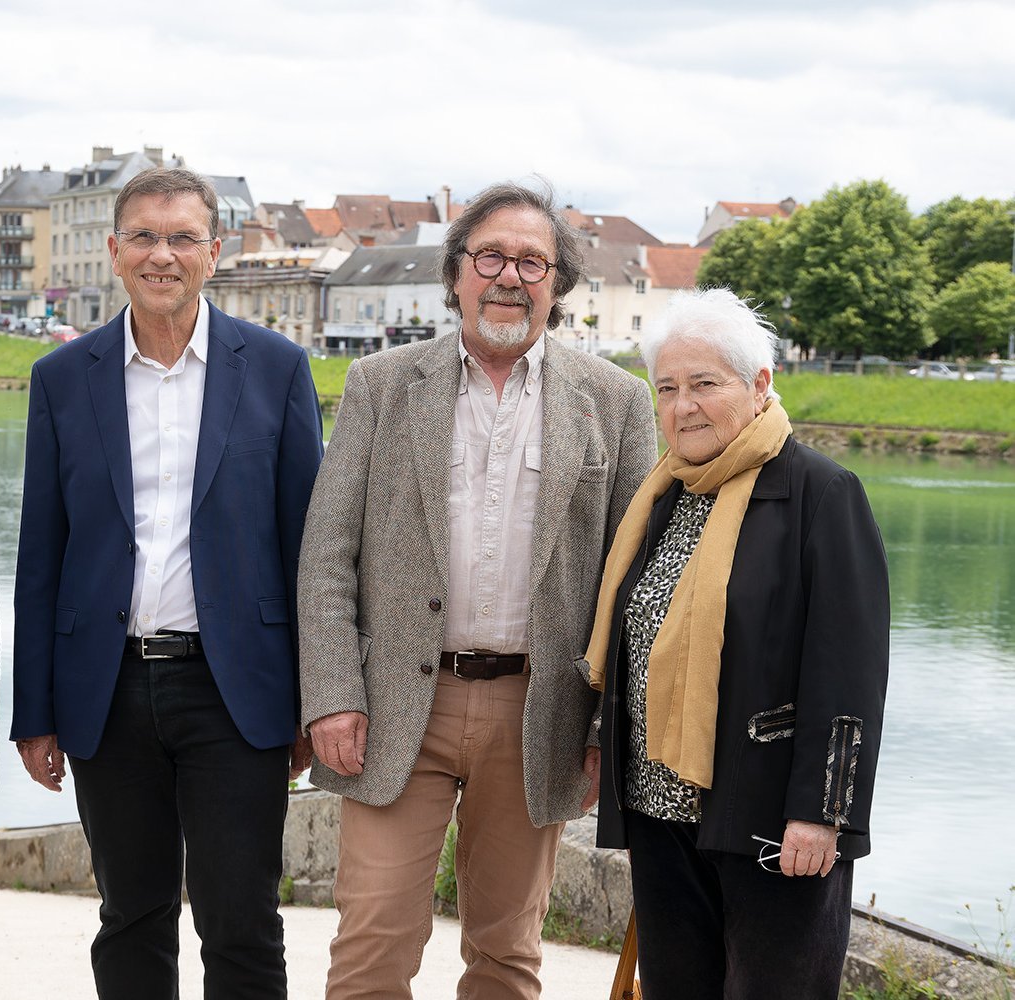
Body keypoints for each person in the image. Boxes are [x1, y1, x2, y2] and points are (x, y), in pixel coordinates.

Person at [297, 181, 658, 999]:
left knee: (505, 952)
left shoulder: (617, 402)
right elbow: (326, 555)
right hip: (393, 707)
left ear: (557, 284)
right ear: (456, 271)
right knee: (371, 947)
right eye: (490, 255)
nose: (510, 275)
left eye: (533, 261)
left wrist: (608, 726)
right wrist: (330, 696)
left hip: (539, 715)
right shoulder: (382, 386)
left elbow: (632, 586)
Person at [10, 166, 323, 1000]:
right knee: (131, 916)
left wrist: (312, 697)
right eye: (144, 236)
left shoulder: (278, 370)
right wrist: (34, 710)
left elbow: (309, 550)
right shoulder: (62, 379)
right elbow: (42, 552)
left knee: (242, 921)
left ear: (214, 253)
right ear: (113, 252)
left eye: (183, 237)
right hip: (105, 691)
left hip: (237, 691)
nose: (162, 255)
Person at [582, 288, 890, 999]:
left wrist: (823, 814)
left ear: (759, 386)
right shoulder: (664, 495)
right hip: (661, 816)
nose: (683, 405)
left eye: (704, 384)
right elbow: (637, 644)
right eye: (667, 388)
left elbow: (848, 673)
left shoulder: (821, 492)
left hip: (771, 823)